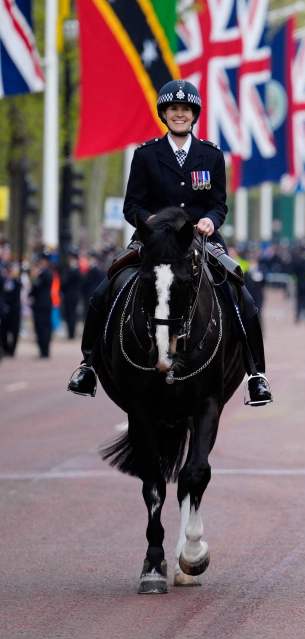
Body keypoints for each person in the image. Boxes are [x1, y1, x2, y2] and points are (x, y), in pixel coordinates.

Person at [66, 79, 272, 405]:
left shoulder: (211, 155)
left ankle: (255, 374)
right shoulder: (147, 155)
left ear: (194, 115)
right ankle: (88, 364)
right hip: (153, 241)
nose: (179, 114)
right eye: (174, 109)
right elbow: (131, 204)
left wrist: (210, 221)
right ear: (165, 113)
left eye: (185, 110)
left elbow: (219, 203)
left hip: (199, 238)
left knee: (241, 295)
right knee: (104, 290)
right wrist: (149, 223)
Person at [29, 253, 53, 358]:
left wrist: (34, 276)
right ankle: (43, 350)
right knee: (42, 327)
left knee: (42, 327)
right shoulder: (44, 273)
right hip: (42, 304)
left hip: (41, 305)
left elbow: (36, 286)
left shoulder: (45, 273)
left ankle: (44, 350)